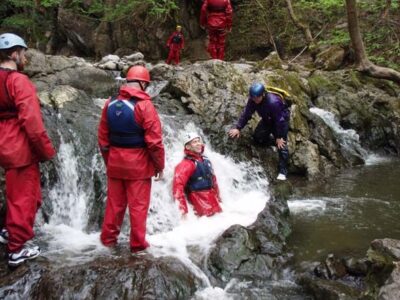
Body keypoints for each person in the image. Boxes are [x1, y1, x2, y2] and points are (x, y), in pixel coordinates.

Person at [0, 33, 56, 266]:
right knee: (25, 197)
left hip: (3, 142)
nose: (25, 57)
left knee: (14, 193)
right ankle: (16, 249)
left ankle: (7, 232)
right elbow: (32, 123)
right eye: (23, 53)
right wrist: (46, 151)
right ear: (14, 53)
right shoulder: (18, 81)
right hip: (19, 146)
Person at [98, 65, 165, 253]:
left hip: (115, 163)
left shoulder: (109, 103)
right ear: (143, 84)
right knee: (138, 207)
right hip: (139, 166)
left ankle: (107, 240)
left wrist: (108, 161)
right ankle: (137, 244)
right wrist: (159, 166)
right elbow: (154, 143)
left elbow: (103, 138)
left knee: (114, 205)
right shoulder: (145, 106)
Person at [228, 83, 290, 181]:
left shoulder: (273, 102)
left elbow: (280, 120)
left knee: (282, 145)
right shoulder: (252, 101)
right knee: (257, 137)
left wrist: (279, 136)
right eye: (253, 98)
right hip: (267, 119)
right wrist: (238, 128)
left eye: (257, 98)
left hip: (281, 120)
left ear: (263, 95)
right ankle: (273, 142)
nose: (255, 100)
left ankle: (283, 171)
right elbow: (247, 113)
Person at [173, 133, 222, 217]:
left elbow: (214, 180)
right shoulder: (186, 164)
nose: (198, 143)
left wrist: (219, 198)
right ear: (188, 147)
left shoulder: (206, 160)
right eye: (194, 142)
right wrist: (183, 210)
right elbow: (178, 187)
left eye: (199, 141)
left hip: (213, 200)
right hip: (198, 201)